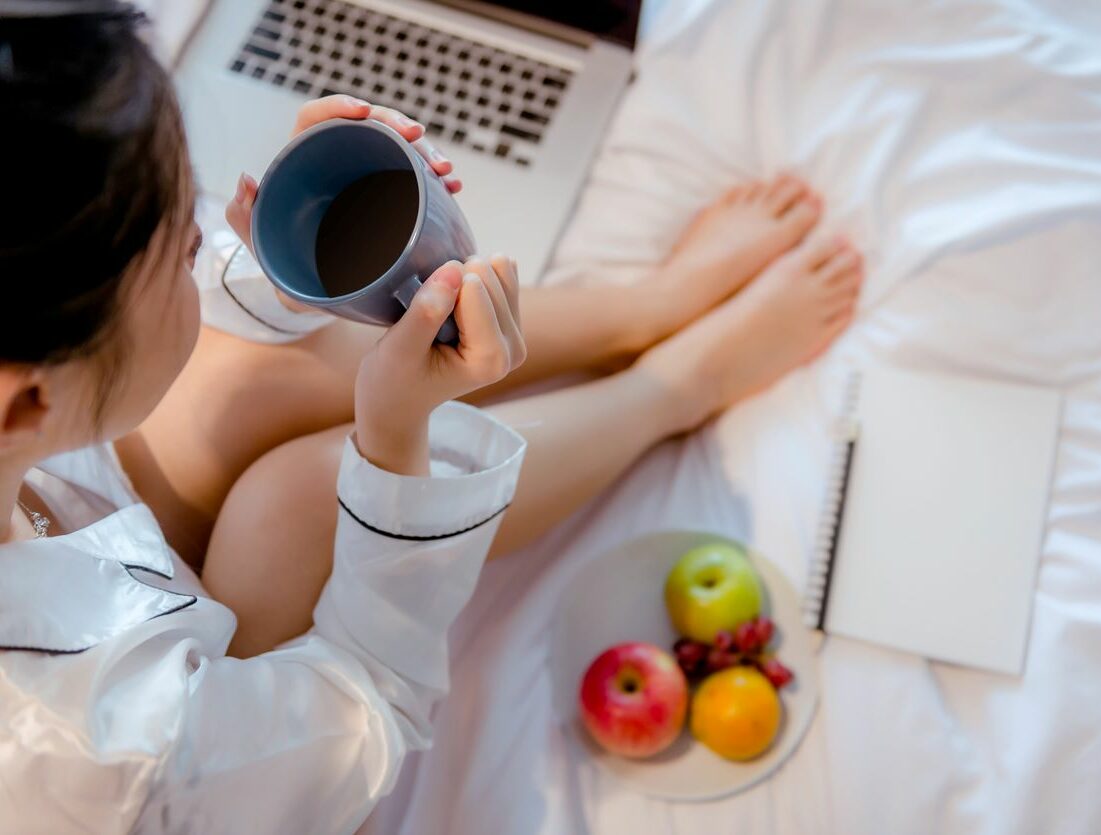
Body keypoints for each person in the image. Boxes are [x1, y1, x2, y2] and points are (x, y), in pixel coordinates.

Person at [0, 2, 861, 831]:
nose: (202, 243)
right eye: (181, 248)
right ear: (32, 398)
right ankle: (676, 388)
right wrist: (394, 442)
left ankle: (646, 308)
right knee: (304, 501)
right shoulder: (98, 750)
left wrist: (290, 249)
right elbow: (367, 704)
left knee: (248, 375)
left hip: (86, 539)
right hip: (243, 773)